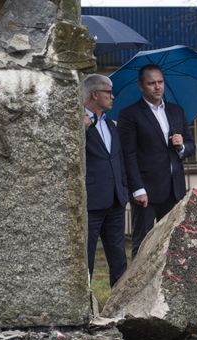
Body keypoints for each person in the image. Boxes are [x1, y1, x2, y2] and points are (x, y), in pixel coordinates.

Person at [118, 64, 196, 258]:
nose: (157, 87)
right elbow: (128, 155)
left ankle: (167, 286)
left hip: (174, 189)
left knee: (173, 242)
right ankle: (136, 287)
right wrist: (137, 188)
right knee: (142, 243)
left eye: (160, 82)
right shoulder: (130, 115)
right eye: (151, 83)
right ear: (141, 86)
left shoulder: (176, 111)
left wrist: (181, 146)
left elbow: (191, 145)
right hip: (146, 192)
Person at [83, 74, 128, 287]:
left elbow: (118, 159)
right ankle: (85, 305)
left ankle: (120, 304)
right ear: (94, 94)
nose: (112, 97)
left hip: (116, 201)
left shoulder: (111, 125)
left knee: (119, 256)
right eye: (108, 92)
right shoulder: (76, 123)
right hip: (91, 202)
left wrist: (124, 189)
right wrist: (79, 129)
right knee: (86, 255)